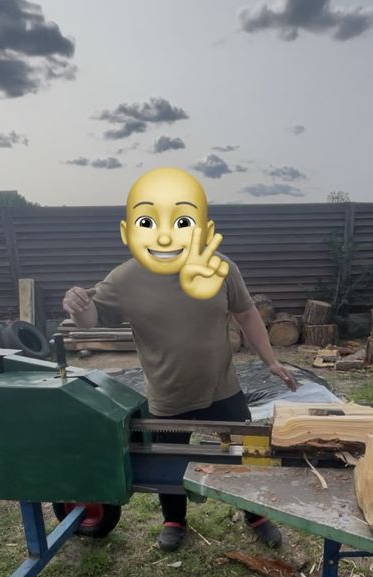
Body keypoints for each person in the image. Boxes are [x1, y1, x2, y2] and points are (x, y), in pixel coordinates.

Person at [62, 167, 296, 552]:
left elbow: (247, 313)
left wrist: (270, 360)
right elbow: (91, 318)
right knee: (168, 462)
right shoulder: (125, 278)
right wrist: (78, 306)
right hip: (168, 395)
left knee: (246, 453)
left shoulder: (221, 268)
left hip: (222, 389)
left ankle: (255, 513)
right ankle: (174, 519)